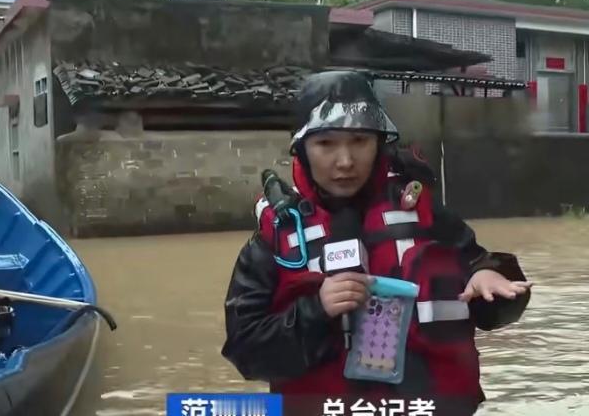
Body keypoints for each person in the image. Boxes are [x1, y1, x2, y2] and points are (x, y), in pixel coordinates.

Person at [221, 71, 532, 415]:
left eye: (359, 141)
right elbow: (246, 353)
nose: (345, 161)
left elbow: (489, 293)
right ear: (302, 150)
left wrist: (488, 275)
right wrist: (315, 310)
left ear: (378, 143)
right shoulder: (273, 240)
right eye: (325, 144)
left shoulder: (427, 215)